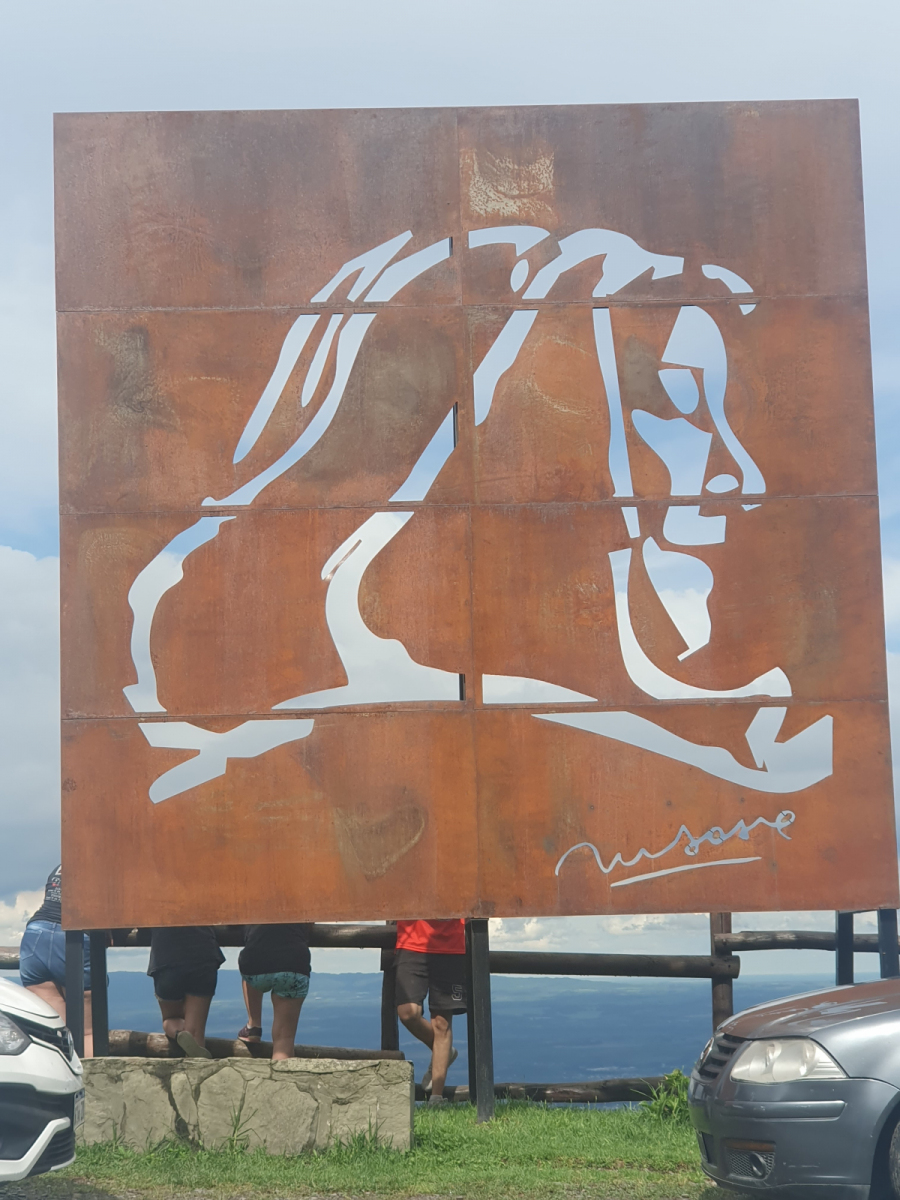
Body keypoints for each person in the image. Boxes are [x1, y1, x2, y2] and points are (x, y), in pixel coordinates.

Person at [18, 865, 94, 1056]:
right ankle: (92, 1075)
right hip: (73, 938)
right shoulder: (105, 865)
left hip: (35, 935)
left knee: (55, 1032)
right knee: (86, 1033)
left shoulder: (63, 865)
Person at [394, 918, 466, 1105]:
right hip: (411, 942)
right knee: (408, 1012)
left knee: (442, 1022)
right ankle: (444, 1051)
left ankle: (436, 1098)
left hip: (450, 945)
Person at [237, 924, 311, 1060]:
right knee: (284, 1039)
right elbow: (310, 923)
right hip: (293, 963)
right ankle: (280, 1072)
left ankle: (253, 1025)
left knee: (250, 971)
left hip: (254, 962)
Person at [148, 926, 224, 1058]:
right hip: (204, 956)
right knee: (196, 1032)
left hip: (167, 959)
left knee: (170, 1018)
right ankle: (194, 1048)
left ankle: (179, 1034)